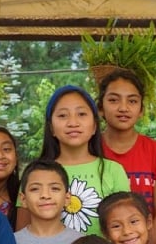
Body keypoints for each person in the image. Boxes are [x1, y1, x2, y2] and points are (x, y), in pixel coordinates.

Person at [98, 68, 156, 244]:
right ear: (100, 108)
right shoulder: (90, 149)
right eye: (114, 100)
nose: (123, 108)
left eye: (132, 101)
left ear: (141, 110)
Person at [39, 84, 130, 235]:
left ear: (94, 126)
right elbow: (24, 232)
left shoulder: (114, 170)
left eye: (81, 114)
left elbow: (123, 228)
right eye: (62, 115)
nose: (73, 123)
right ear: (51, 128)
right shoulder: (37, 173)